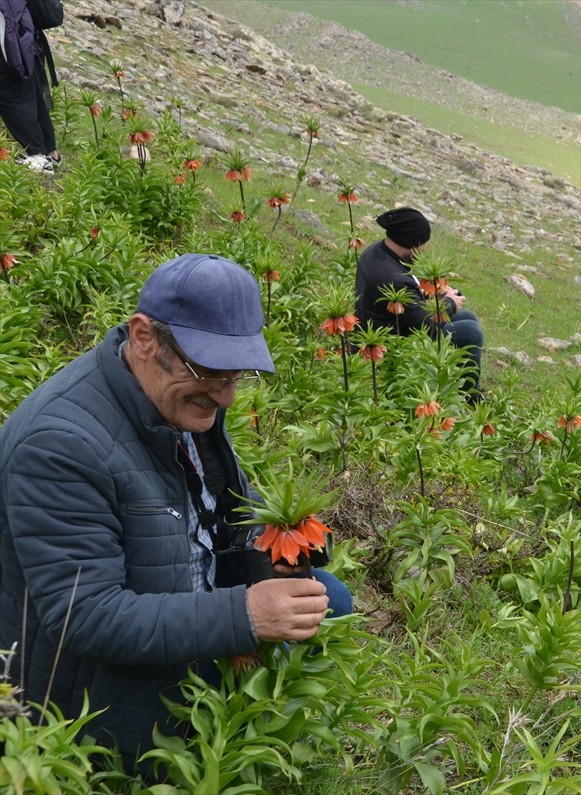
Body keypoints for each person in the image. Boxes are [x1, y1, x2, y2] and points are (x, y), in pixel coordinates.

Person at [0, 253, 351, 772]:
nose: (227, 395)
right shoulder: (60, 444)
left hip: (179, 591)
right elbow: (85, 616)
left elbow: (216, 508)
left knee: (327, 598)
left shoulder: (178, 399)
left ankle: (251, 727)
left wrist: (271, 550)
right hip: (90, 687)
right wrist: (244, 615)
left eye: (238, 374)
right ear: (144, 337)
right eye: (210, 371)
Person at [355, 206, 485, 399]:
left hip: (388, 325)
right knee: (470, 332)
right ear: (411, 242)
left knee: (467, 317)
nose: (424, 249)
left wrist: (436, 293)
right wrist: (449, 303)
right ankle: (470, 397)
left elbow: (410, 298)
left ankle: (463, 383)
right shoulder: (393, 277)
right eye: (423, 244)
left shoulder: (377, 252)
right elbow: (426, 324)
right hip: (392, 343)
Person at [0, 0, 59, 172]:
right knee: (32, 95)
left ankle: (38, 155)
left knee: (10, 95)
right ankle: (50, 153)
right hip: (22, 36)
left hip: (11, 41)